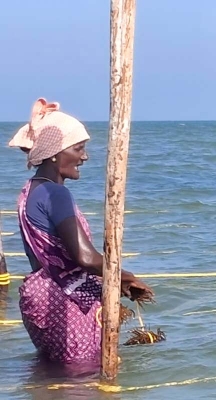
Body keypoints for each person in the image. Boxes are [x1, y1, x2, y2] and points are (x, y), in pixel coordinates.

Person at [8, 98, 153, 364]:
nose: (84, 157)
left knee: (54, 377)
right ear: (55, 152)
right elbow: (85, 258)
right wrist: (126, 277)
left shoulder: (31, 190)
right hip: (64, 301)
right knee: (81, 379)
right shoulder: (56, 193)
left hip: (40, 296)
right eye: (78, 149)